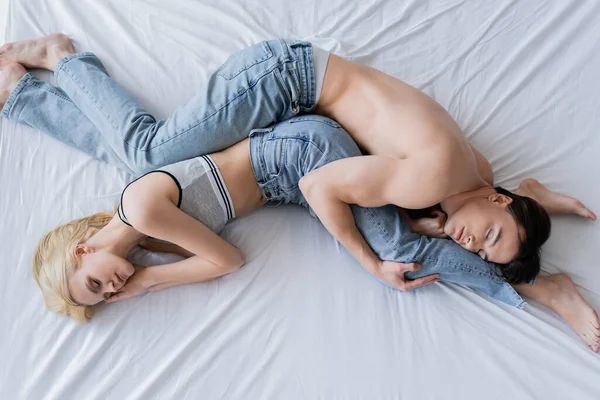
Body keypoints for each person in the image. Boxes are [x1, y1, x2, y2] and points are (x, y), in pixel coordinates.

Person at [0, 34, 598, 351]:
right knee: (132, 155)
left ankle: (540, 287)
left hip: (285, 90)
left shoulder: (440, 180)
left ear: (82, 249)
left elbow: (315, 190)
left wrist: (368, 262)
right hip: (295, 119)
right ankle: (25, 93)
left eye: (98, 283)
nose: (114, 288)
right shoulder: (468, 174)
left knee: (396, 246)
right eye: (491, 234)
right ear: (499, 196)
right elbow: (474, 197)